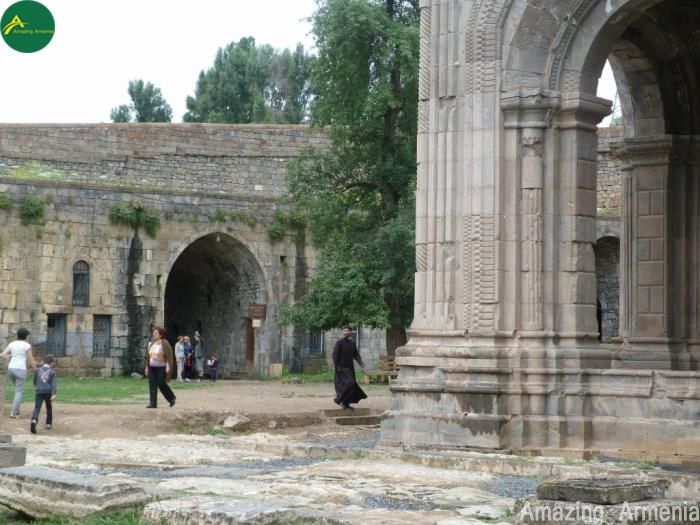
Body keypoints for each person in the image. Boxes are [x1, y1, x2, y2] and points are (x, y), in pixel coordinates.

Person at [1, 327, 37, 418]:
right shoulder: (27, 345)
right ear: (26, 336)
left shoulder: (12, 344)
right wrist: (35, 369)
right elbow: (30, 359)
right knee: (19, 391)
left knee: (17, 389)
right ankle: (13, 413)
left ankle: (17, 411)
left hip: (11, 369)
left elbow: (3, 354)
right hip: (20, 369)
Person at [332, 325, 367, 410]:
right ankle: (340, 400)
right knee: (349, 384)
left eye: (347, 331)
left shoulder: (352, 343)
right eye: (344, 331)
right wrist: (337, 367)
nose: (346, 332)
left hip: (350, 368)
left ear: (350, 332)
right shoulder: (339, 342)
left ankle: (346, 403)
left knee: (352, 386)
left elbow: (355, 354)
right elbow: (335, 355)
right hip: (341, 369)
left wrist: (361, 363)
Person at [144, 326, 176, 409]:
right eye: (153, 333)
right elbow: (148, 356)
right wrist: (147, 367)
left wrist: (168, 366)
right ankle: (153, 403)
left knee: (161, 383)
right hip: (152, 367)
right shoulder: (152, 343)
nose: (153, 334)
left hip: (161, 367)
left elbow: (169, 356)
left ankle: (171, 398)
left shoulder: (165, 343)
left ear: (160, 335)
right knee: (152, 384)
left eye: (155, 333)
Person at [30, 355, 57, 434]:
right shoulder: (52, 372)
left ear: (43, 362)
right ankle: (48, 423)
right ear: (51, 363)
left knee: (37, 407)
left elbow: (34, 382)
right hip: (48, 392)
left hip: (39, 391)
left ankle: (34, 420)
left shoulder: (37, 370)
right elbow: (53, 384)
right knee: (49, 407)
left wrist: (38, 385)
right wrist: (54, 393)